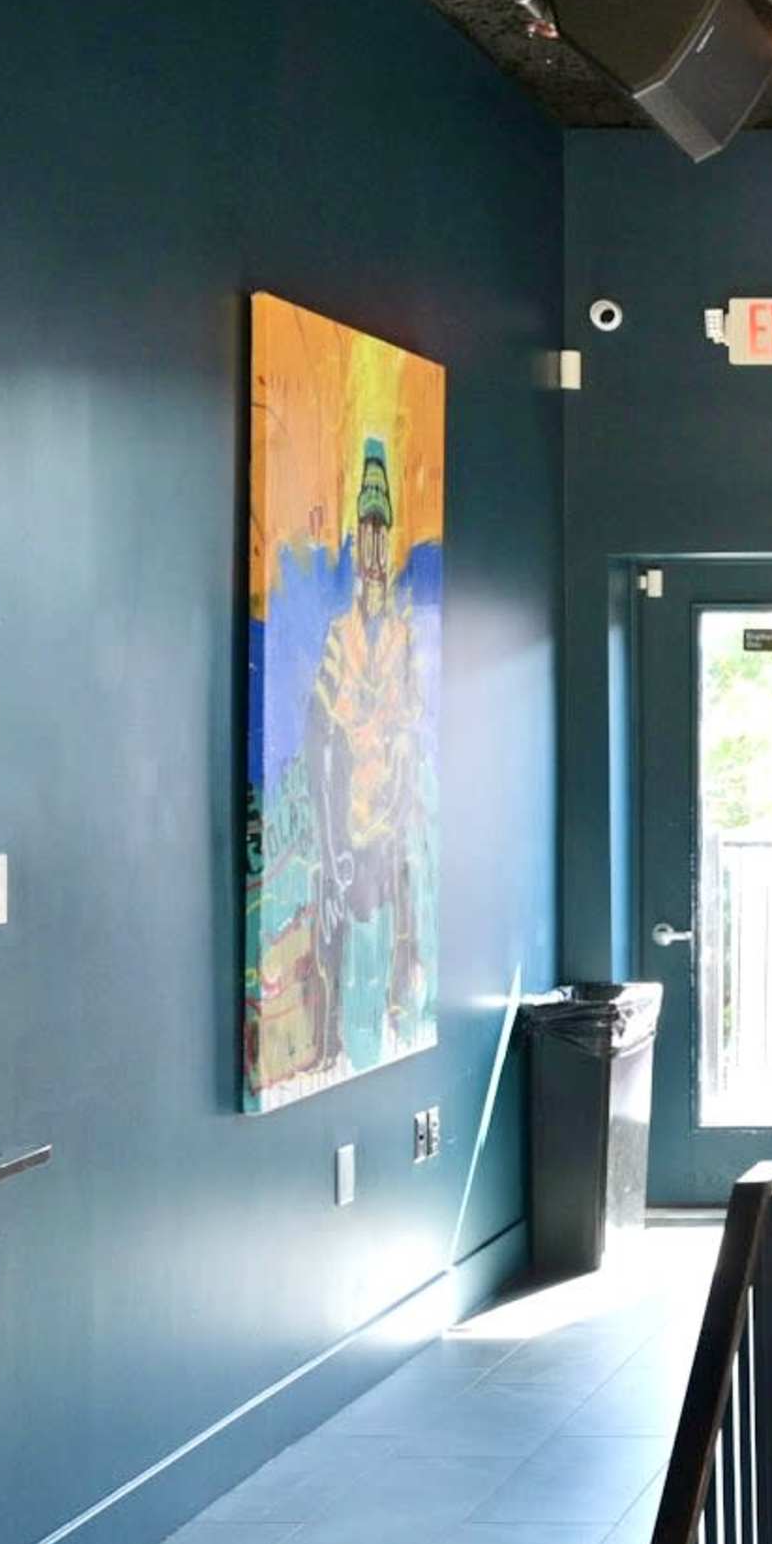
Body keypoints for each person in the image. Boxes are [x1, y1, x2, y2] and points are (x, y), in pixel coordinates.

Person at [305, 437, 427, 1070]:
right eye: (367, 534)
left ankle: (393, 1016)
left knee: (399, 922)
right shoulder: (339, 636)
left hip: (387, 821)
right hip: (346, 824)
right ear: (357, 541)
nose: (376, 552)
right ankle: (329, 1044)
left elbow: (411, 724)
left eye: (385, 536)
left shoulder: (402, 637)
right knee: (334, 931)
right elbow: (319, 739)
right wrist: (331, 848)